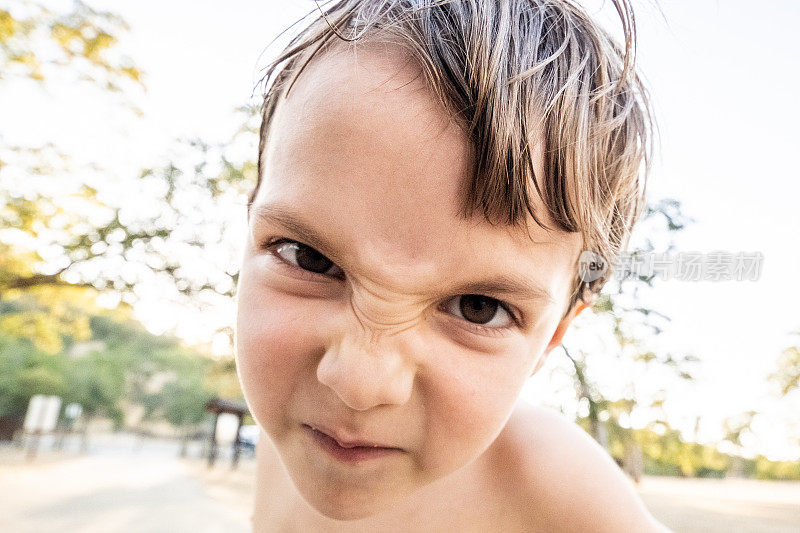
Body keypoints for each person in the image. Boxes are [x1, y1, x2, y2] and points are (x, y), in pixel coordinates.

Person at [235, 0, 670, 530]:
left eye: (478, 308)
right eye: (310, 259)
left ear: (553, 336)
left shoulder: (553, 484)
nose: (359, 382)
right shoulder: (284, 446)